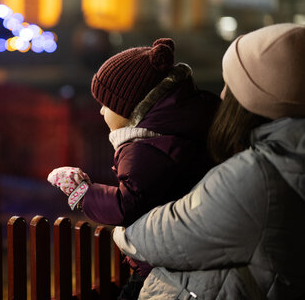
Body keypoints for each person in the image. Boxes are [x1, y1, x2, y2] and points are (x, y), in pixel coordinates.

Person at [113, 23, 305, 299]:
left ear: (255, 101)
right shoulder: (286, 162)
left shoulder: (256, 176)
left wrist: (122, 227)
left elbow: (164, 236)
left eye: (231, 85)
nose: (223, 95)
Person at [47, 38, 220, 298]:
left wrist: (82, 191)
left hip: (159, 262)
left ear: (130, 106)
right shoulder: (179, 132)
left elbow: (129, 203)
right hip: (184, 248)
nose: (102, 111)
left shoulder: (145, 146)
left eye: (107, 104)